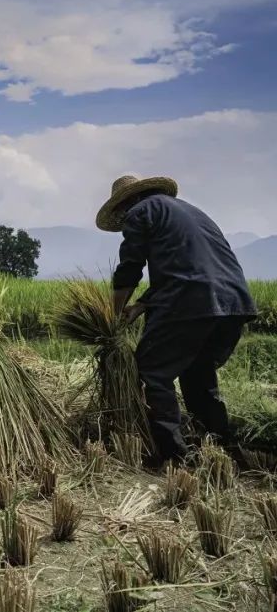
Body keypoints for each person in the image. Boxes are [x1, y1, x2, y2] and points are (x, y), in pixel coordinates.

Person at [96, 174, 256, 466]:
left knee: (153, 369)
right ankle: (222, 448)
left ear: (127, 203)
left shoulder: (139, 212)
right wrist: (141, 306)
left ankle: (174, 457)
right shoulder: (188, 212)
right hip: (233, 301)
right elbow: (187, 267)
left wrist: (114, 312)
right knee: (198, 373)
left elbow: (130, 267)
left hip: (191, 301)